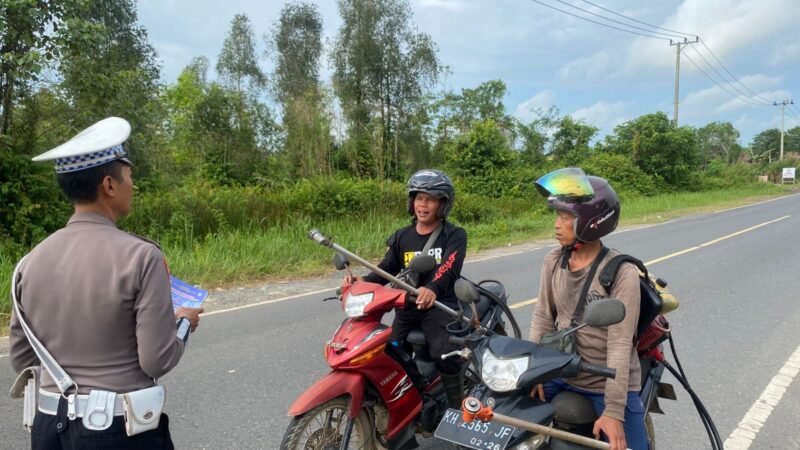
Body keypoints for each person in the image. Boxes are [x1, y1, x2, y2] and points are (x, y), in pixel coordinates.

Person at [9, 117, 203, 449]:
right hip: (117, 429)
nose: (133, 185)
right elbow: (157, 360)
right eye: (129, 177)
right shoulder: (142, 257)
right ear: (109, 185)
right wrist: (183, 322)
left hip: (48, 429)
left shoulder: (29, 262)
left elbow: (22, 358)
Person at [528, 168, 648, 450]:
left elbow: (619, 345)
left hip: (604, 382)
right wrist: (532, 371)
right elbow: (543, 316)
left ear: (591, 222)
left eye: (566, 217)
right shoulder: (554, 260)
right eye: (557, 215)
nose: (557, 224)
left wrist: (614, 412)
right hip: (561, 370)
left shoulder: (622, 273)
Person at [342, 169, 468, 408]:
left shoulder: (454, 235)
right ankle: (414, 397)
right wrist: (364, 282)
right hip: (407, 307)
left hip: (440, 306)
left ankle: (458, 411)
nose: (423, 205)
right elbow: (386, 268)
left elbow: (448, 268)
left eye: (430, 199)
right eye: (419, 198)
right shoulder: (402, 236)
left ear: (443, 203)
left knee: (446, 356)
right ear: (412, 202)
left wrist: (431, 288)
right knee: (387, 356)